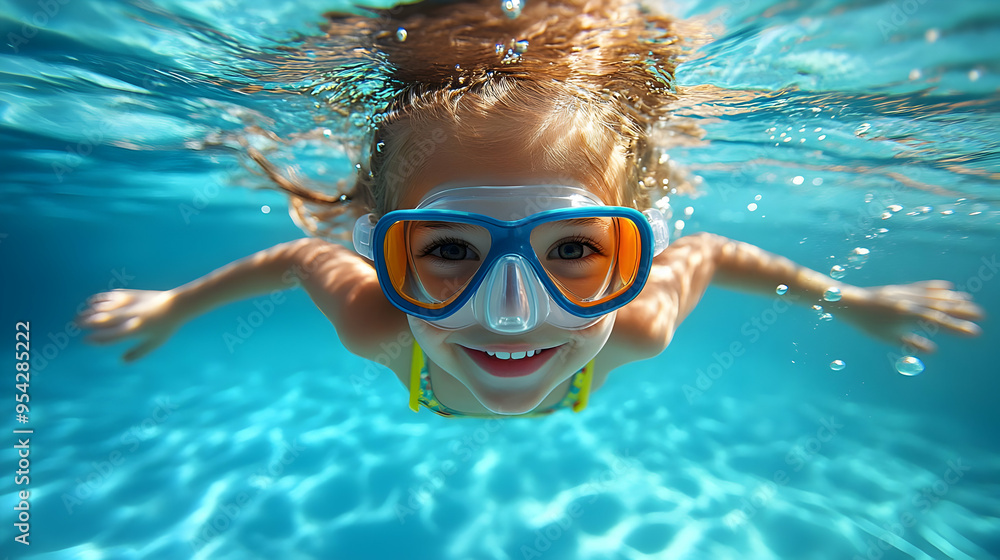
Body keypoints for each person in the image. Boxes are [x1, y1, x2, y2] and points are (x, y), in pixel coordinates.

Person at [76, 0, 983, 418]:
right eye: (450, 250)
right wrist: (172, 305)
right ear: (381, 250)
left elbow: (707, 252)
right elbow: (287, 260)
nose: (513, 314)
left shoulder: (632, 328)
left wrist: (853, 300)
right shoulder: (377, 322)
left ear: (636, 247)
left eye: (579, 249)